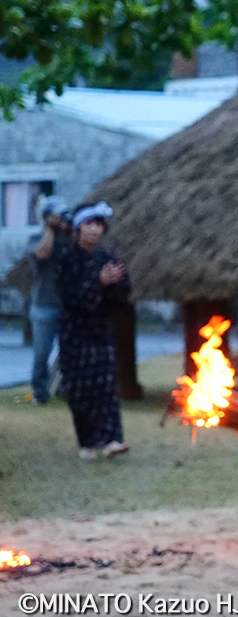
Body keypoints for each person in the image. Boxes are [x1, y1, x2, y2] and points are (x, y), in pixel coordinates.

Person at [52, 202, 131, 460]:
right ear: (78, 229)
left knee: (106, 385)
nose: (94, 230)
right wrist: (97, 282)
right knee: (78, 389)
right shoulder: (66, 258)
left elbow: (122, 294)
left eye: (99, 225)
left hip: (100, 331)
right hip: (74, 333)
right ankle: (87, 441)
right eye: (89, 224)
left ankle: (112, 440)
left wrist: (113, 285)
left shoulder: (107, 259)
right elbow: (69, 296)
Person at [28, 195, 70, 405]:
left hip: (66, 305)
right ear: (46, 217)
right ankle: (39, 392)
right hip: (43, 304)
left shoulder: (69, 239)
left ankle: (64, 388)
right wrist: (49, 229)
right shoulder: (37, 237)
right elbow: (42, 254)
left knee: (69, 351)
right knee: (41, 354)